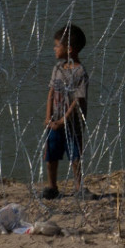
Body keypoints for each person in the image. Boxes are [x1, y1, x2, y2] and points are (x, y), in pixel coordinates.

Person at [43, 23, 90, 200]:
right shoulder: (57, 69)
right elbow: (51, 92)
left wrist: (63, 120)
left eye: (57, 45)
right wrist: (48, 117)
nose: (54, 49)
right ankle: (52, 186)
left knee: (75, 155)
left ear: (69, 49)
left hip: (73, 122)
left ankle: (79, 187)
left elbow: (78, 100)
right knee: (51, 155)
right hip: (54, 120)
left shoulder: (80, 72)